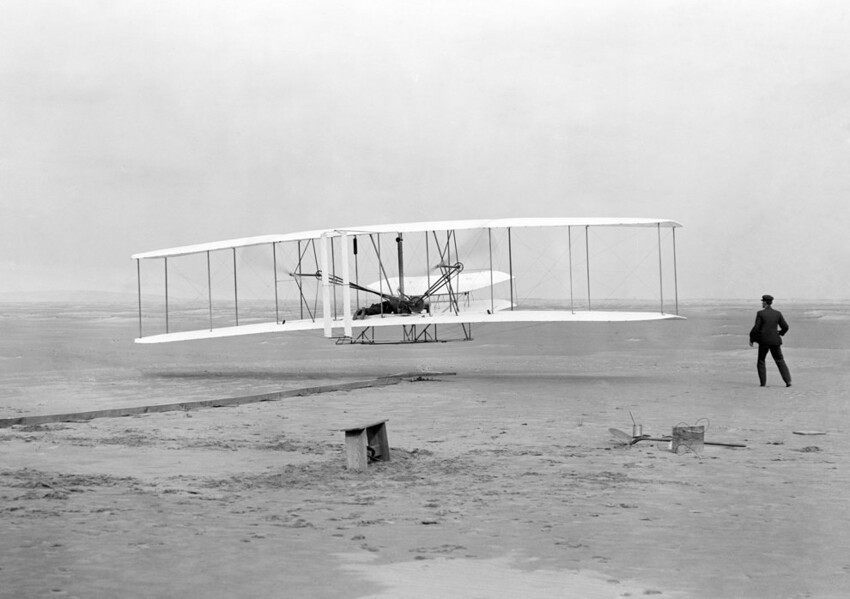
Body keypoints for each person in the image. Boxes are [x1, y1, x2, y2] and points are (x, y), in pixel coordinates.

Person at [749, 294, 792, 387]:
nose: (762, 303)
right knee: (780, 360)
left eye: (762, 302)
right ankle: (788, 381)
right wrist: (780, 333)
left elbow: (756, 328)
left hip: (764, 341)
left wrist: (752, 338)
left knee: (761, 360)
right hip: (775, 341)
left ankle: (763, 383)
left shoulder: (760, 313)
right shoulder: (777, 313)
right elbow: (785, 327)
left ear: (765, 302)